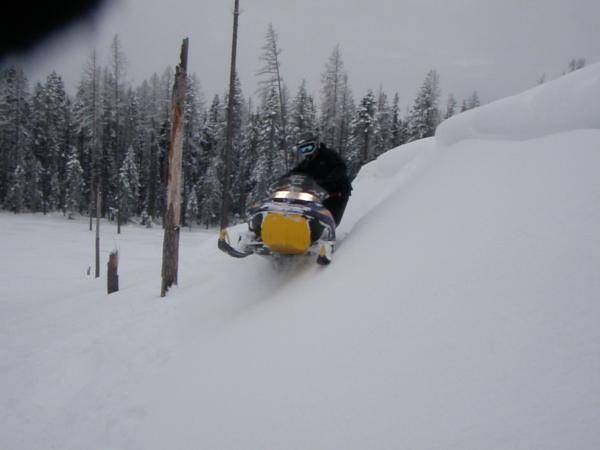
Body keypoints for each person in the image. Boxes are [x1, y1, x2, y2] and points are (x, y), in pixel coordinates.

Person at [288, 138, 352, 226]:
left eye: (309, 148)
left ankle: (325, 233)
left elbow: (341, 167)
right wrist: (284, 179)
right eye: (303, 150)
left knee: (330, 219)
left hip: (337, 192)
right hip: (319, 192)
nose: (307, 151)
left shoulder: (328, 155)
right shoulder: (308, 161)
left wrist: (330, 178)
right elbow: (297, 171)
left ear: (316, 145)